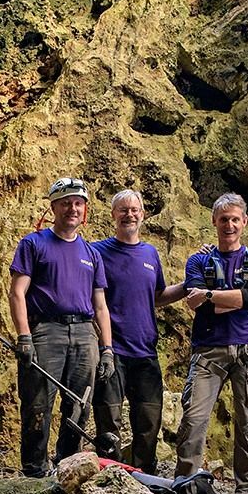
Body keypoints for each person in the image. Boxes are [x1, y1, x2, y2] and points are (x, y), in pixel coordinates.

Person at [173, 194, 248, 494]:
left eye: (235, 219)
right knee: (194, 417)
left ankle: (245, 493)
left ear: (244, 222)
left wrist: (216, 296)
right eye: (223, 219)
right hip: (209, 349)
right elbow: (195, 302)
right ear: (214, 222)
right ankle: (185, 485)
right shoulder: (197, 261)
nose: (229, 224)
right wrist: (242, 301)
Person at [9, 176, 114, 477]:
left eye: (78, 203)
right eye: (66, 202)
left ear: (85, 210)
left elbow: (100, 306)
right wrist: (24, 337)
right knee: (38, 404)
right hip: (46, 331)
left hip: (84, 334)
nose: (73, 208)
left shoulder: (92, 254)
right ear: (53, 207)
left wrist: (107, 348)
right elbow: (17, 292)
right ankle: (34, 472)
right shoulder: (34, 244)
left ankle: (67, 468)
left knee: (80, 406)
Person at [91, 189, 187, 472]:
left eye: (134, 210)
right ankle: (108, 477)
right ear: (113, 215)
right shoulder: (97, 252)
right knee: (108, 419)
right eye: (123, 210)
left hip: (145, 350)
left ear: (143, 214)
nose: (129, 214)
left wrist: (187, 286)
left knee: (148, 420)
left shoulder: (150, 254)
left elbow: (156, 296)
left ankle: (145, 476)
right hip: (112, 350)